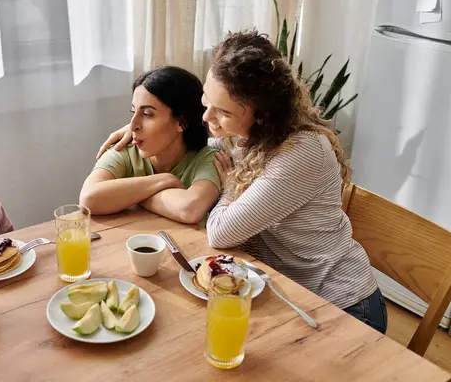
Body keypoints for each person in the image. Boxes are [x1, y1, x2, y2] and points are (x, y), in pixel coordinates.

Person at [96, 30, 387, 333]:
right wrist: (139, 128)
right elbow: (196, 142)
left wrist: (231, 184)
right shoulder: (241, 135)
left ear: (261, 115)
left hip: (342, 305)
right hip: (284, 293)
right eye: (206, 101)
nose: (207, 117)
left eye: (222, 112)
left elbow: (221, 233)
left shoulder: (302, 152)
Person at [80, 66, 221, 225]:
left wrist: (129, 195)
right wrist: (164, 180)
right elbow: (89, 198)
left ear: (181, 122)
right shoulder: (125, 150)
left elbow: (189, 209)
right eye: (133, 112)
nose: (132, 126)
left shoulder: (208, 159)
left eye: (147, 114)